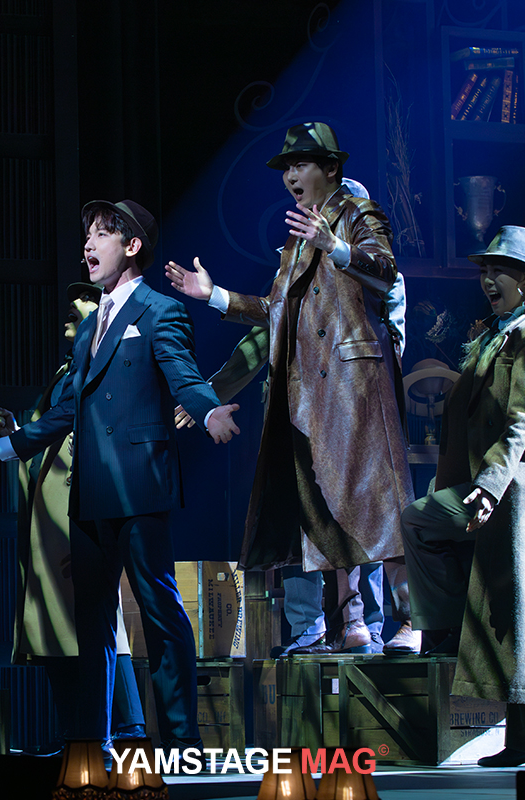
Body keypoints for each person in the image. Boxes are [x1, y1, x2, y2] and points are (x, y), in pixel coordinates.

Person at [0, 199, 240, 751]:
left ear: (131, 247)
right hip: (89, 495)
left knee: (160, 613)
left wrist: (209, 413)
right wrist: (6, 449)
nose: (87, 245)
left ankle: (181, 744)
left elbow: (183, 376)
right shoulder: (90, 328)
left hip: (140, 486)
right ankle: (90, 744)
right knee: (92, 622)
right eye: (86, 235)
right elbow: (67, 408)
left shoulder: (159, 310)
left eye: (101, 235)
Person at [165, 122, 414, 653]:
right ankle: (347, 624)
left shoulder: (358, 213)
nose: (290, 177)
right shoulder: (297, 240)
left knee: (378, 507)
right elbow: (276, 311)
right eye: (286, 169)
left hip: (355, 386)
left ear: (331, 168)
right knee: (325, 509)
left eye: (300, 165)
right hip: (312, 394)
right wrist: (214, 295)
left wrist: (335, 245)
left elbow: (386, 271)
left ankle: (410, 622)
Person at [399, 226, 525, 767]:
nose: (488, 279)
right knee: (510, 610)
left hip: (517, 490)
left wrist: (488, 487)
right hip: (491, 486)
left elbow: (522, 423)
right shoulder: (496, 334)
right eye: (484, 269)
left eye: (499, 270)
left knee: (520, 613)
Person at [0, 280, 145, 747]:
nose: (67, 320)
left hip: (76, 512)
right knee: (56, 629)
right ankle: (78, 734)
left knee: (93, 622)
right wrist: (17, 434)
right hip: (51, 517)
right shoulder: (68, 368)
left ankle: (122, 729)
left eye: (77, 311)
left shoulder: (105, 363)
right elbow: (52, 434)